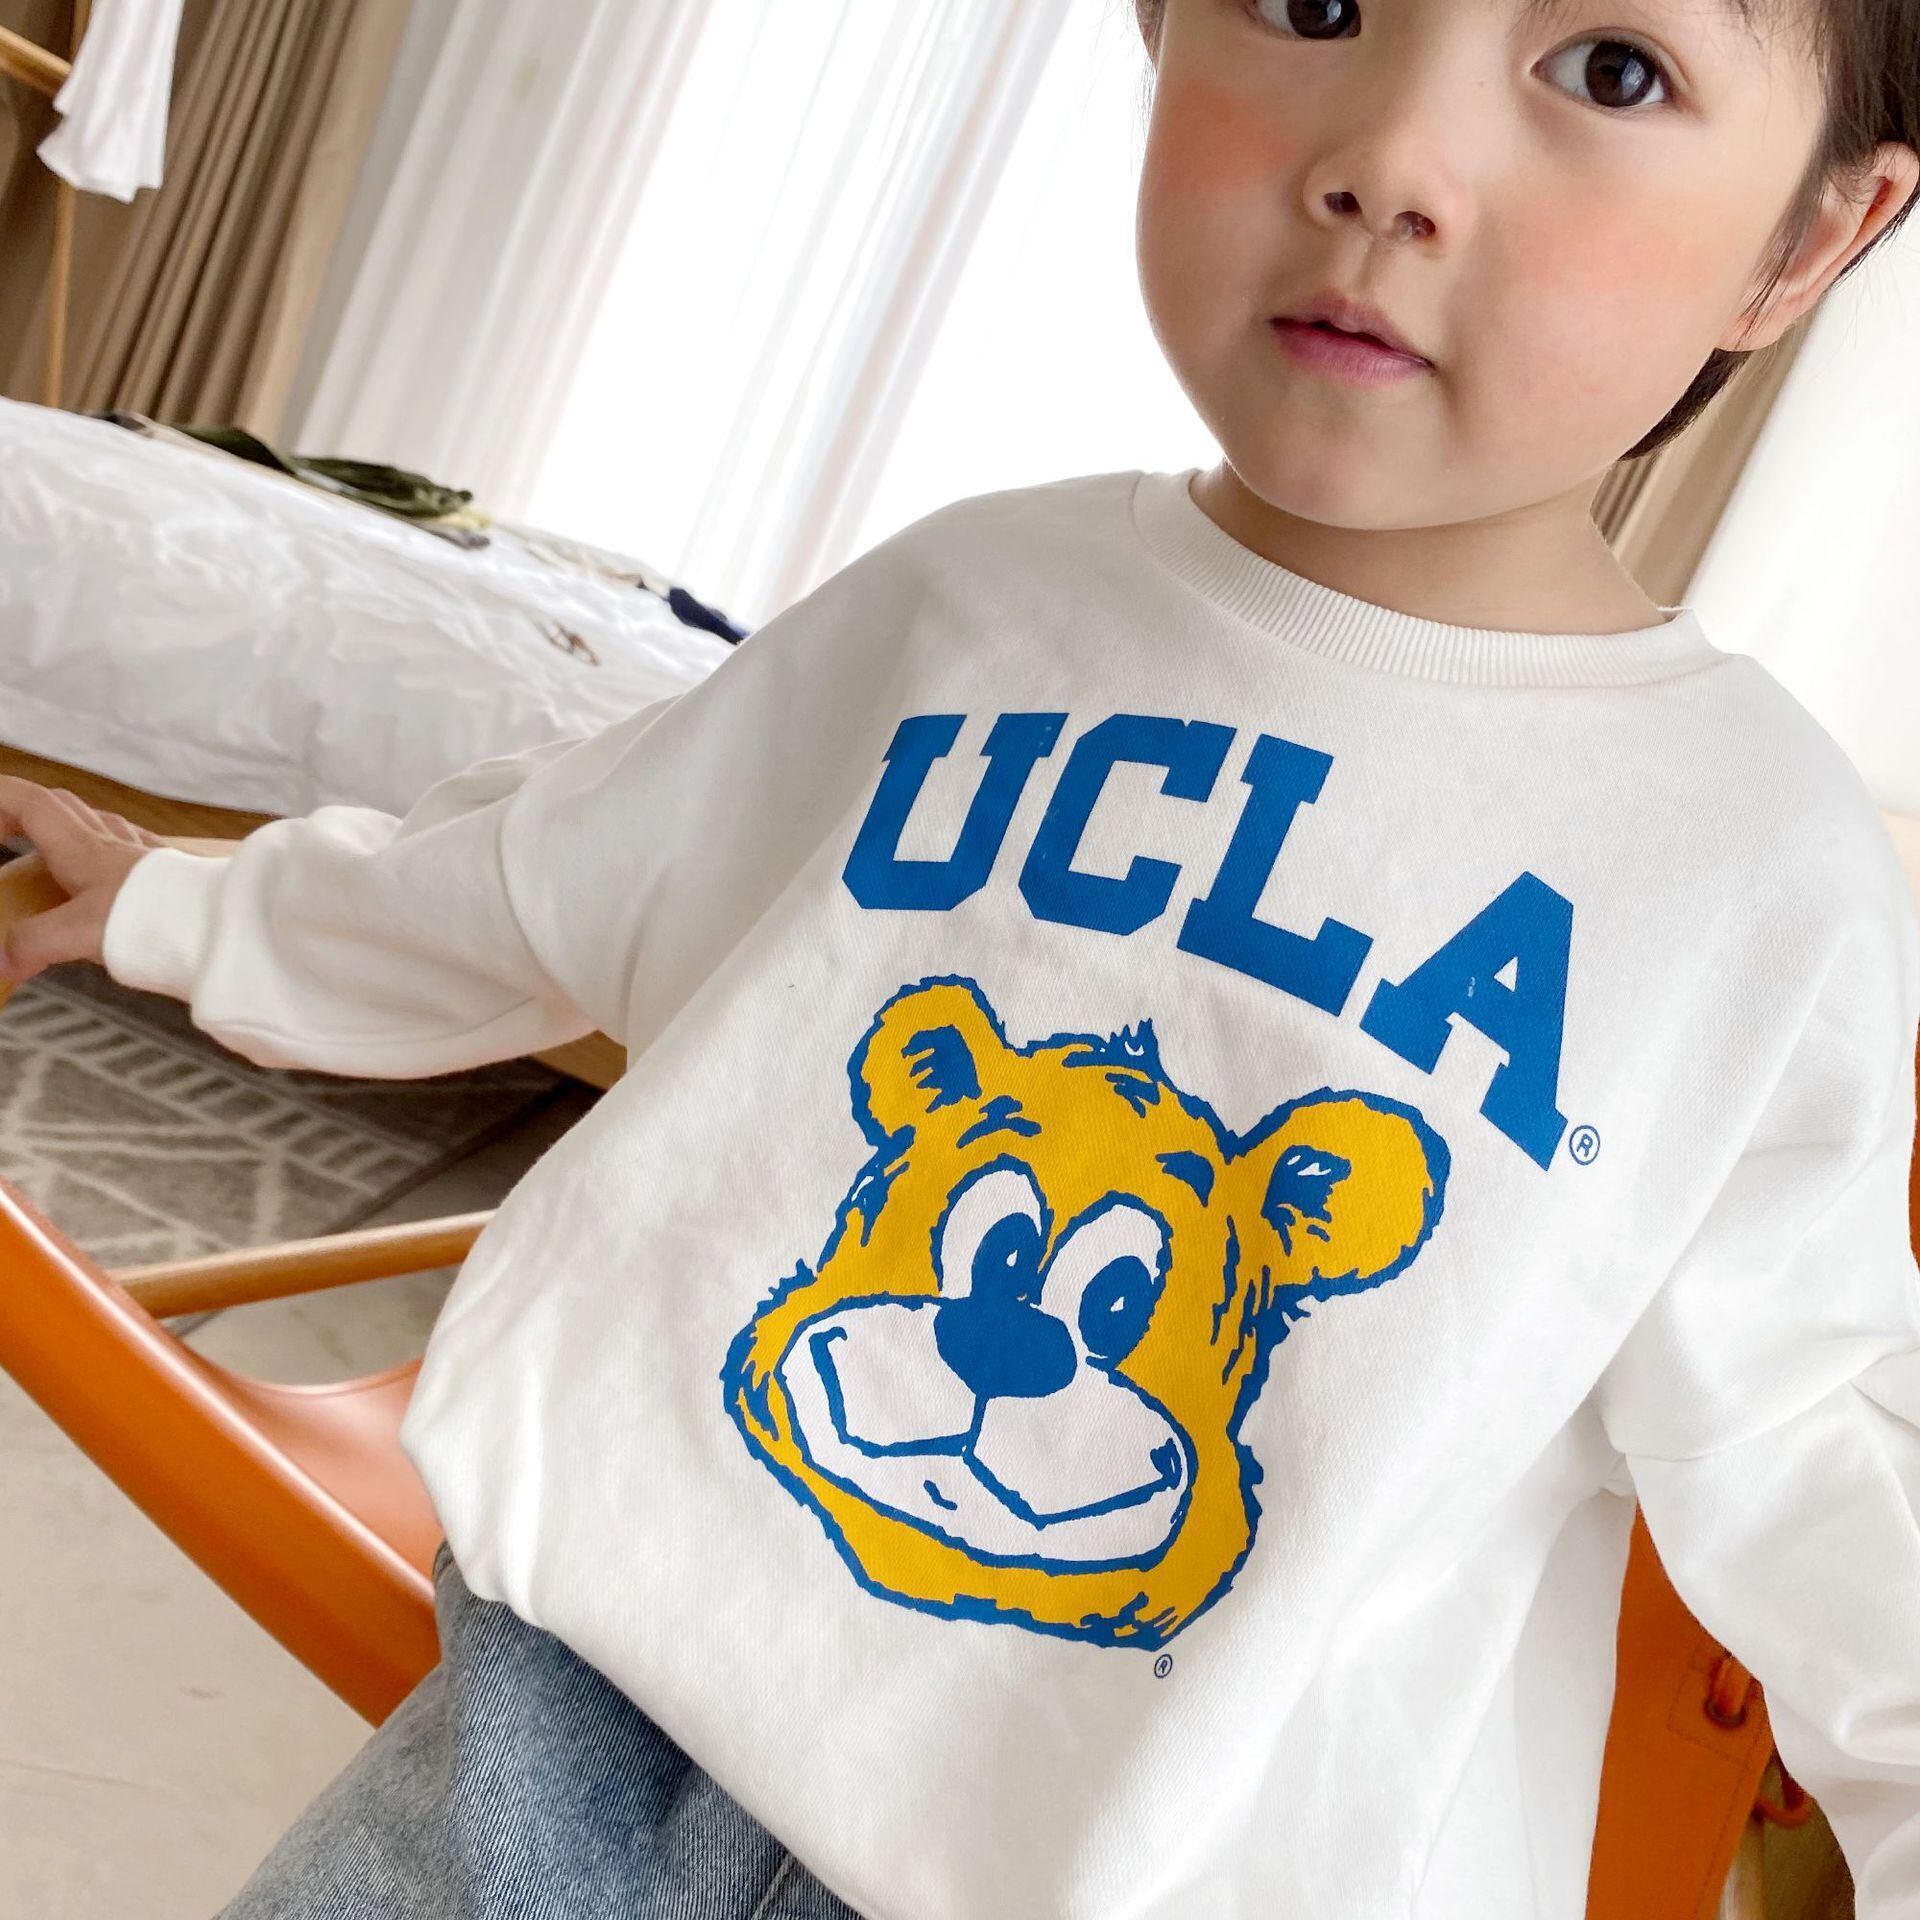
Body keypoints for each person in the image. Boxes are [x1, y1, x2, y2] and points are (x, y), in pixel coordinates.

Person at [3, 1, 1919, 1914]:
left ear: (1811, 238)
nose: (1392, 166)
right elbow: (550, 872)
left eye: (1612, 70)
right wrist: (184, 904)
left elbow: (1812, 1437)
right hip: (567, 1742)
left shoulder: (1751, 878)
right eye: (1319, 5)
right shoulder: (970, 605)